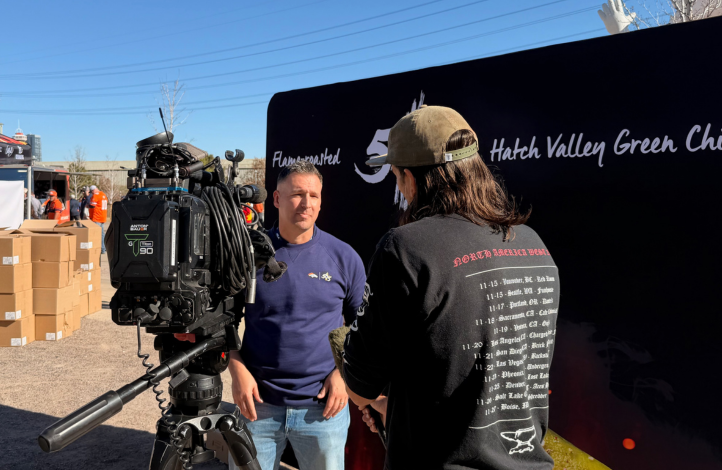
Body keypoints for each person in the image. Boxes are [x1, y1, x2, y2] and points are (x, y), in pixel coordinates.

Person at [342, 106, 559, 469]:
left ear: (411, 178)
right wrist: (391, 405)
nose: (399, 188)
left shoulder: (405, 247)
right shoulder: (533, 243)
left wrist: (375, 397)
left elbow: (360, 383)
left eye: (396, 175)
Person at [227, 161, 365, 470]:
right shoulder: (249, 254)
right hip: (256, 406)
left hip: (323, 410)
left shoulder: (343, 257)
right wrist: (236, 369)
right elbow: (222, 322)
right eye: (297, 194)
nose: (306, 204)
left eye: (314, 195)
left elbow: (363, 328)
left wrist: (342, 375)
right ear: (276, 199)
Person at [87, 185, 108, 254]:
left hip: (97, 217)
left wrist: (87, 206)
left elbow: (92, 205)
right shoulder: (103, 194)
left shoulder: (96, 195)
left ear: (93, 190)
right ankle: (104, 247)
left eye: (91, 192)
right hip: (103, 216)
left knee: (98, 234)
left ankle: (102, 249)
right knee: (102, 234)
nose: (91, 193)